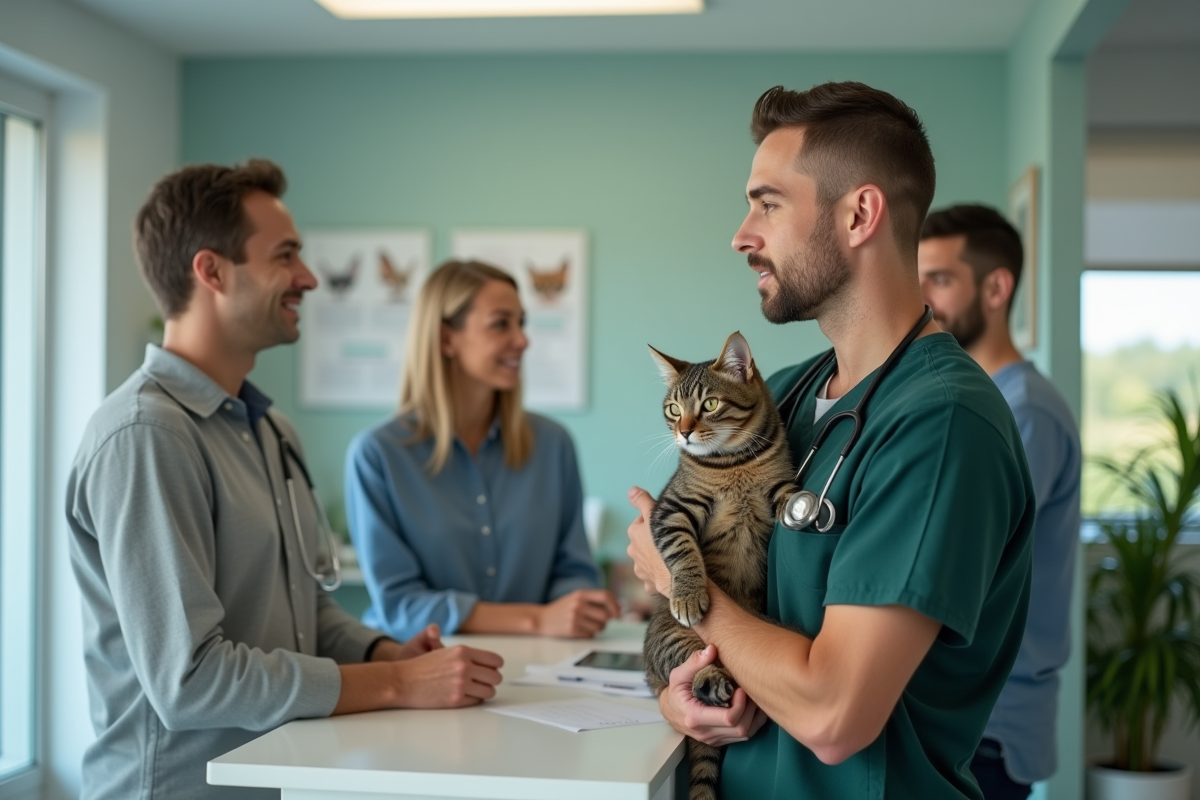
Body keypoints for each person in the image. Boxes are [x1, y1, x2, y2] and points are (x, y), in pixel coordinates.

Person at [626, 82, 1036, 799]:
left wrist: (672, 578)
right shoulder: (785, 391)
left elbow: (835, 713)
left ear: (859, 214)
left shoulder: (941, 425)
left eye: (768, 203)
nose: (742, 233)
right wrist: (682, 701)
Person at [66, 160, 504, 800]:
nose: (309, 278)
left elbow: (307, 613)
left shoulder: (271, 431)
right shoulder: (147, 436)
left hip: (279, 777)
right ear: (211, 271)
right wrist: (399, 687)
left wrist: (387, 653)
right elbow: (191, 680)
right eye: (286, 256)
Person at [345, 260, 619, 642]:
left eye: (521, 323)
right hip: (425, 664)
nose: (523, 340)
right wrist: (537, 620)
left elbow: (573, 570)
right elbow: (399, 604)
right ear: (446, 339)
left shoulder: (553, 444)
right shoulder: (378, 455)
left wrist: (578, 607)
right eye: (500, 323)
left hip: (542, 667)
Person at [919, 204, 1081, 800]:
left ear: (996, 286)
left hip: (987, 725)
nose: (920, 299)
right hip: (966, 714)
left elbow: (957, 568)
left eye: (938, 279)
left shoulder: (1023, 413)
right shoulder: (972, 401)